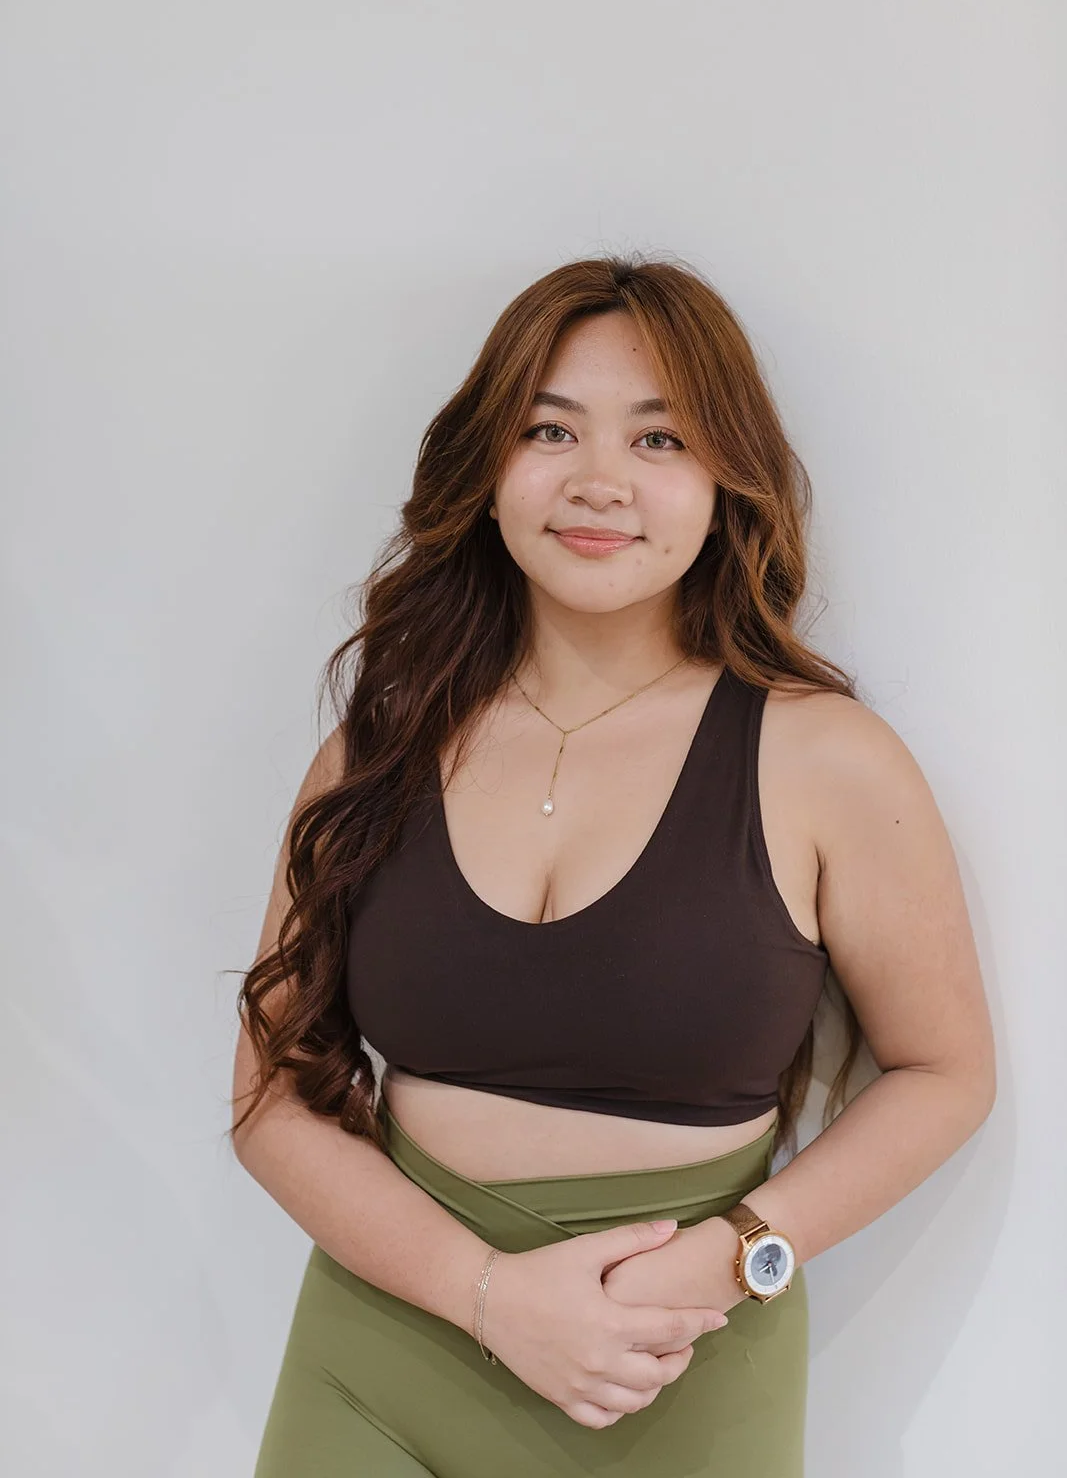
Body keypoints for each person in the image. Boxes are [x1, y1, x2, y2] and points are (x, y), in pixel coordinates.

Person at [230, 254, 996, 1477]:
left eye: (658, 438)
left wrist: (733, 1255)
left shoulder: (824, 757)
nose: (598, 480)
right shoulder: (377, 744)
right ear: (486, 471)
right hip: (381, 1353)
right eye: (549, 429)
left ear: (725, 481)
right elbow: (271, 1094)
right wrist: (484, 1293)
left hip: (676, 1357)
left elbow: (943, 1072)